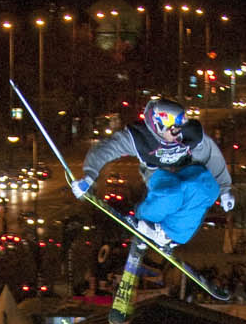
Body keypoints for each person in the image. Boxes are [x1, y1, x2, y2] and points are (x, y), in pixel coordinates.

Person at [71, 98, 235, 252]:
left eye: (180, 129)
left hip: (187, 168)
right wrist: (89, 176)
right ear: (159, 125)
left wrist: (225, 190)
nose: (178, 135)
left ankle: (169, 234)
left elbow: (211, 154)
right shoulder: (140, 138)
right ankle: (146, 220)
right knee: (172, 194)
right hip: (158, 172)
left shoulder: (189, 133)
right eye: (174, 130)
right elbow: (105, 149)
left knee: (208, 188)